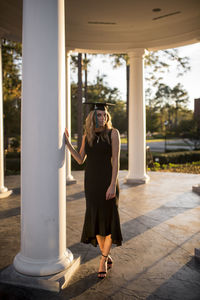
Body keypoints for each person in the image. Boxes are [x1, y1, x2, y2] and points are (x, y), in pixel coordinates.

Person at [65, 102, 122, 279]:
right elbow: (80, 159)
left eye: (105, 115)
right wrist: (67, 143)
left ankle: (103, 259)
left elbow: (116, 161)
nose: (102, 118)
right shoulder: (86, 136)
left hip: (107, 181)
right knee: (95, 218)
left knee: (110, 218)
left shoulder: (114, 133)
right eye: (99, 115)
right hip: (91, 183)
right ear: (92, 117)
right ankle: (106, 254)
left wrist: (113, 184)